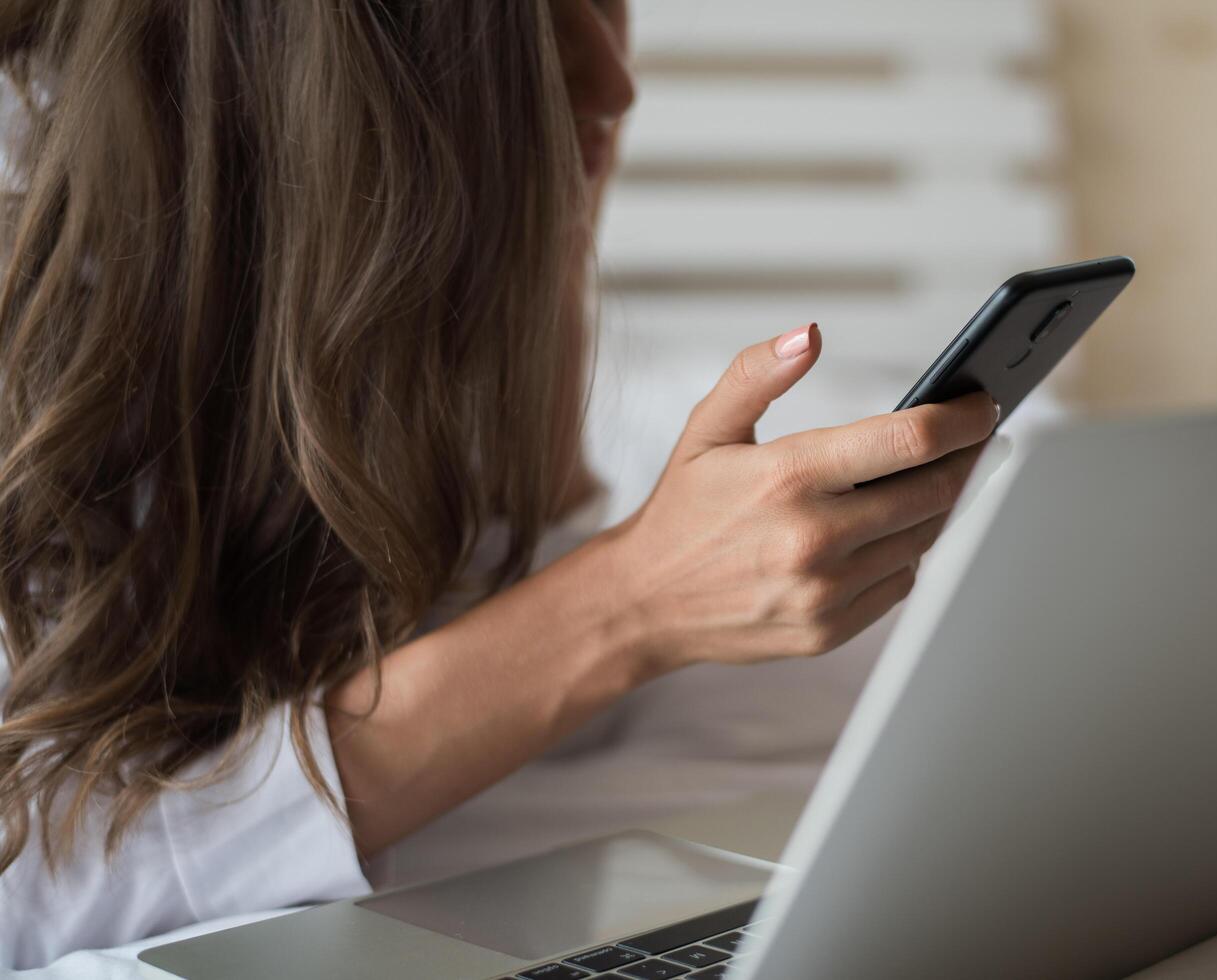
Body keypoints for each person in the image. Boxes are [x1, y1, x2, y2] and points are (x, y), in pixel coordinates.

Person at [0, 0, 997, 968]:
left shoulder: (384, 294)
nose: (614, 79)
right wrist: (623, 603)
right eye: (524, 21)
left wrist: (543, 284)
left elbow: (515, 695)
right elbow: (29, 899)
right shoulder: (47, 361)